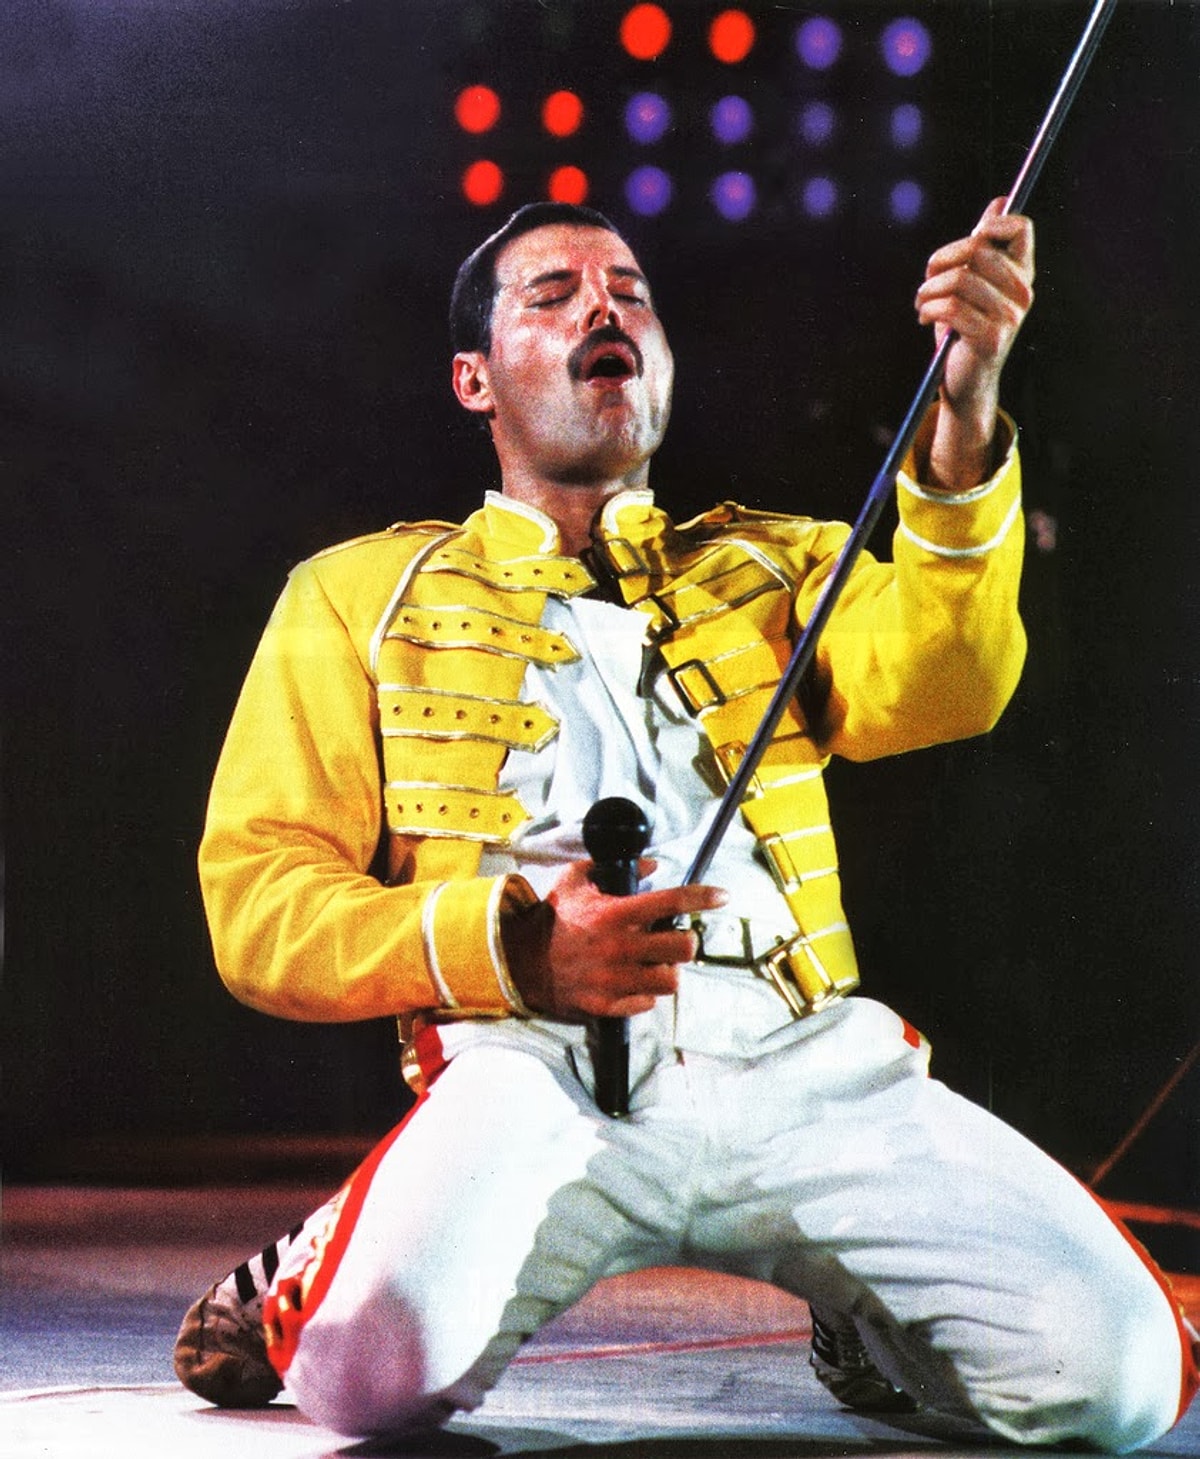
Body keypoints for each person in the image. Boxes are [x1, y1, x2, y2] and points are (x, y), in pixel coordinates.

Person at [174, 201, 1197, 1448]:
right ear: (473, 379)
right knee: (368, 1374)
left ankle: (867, 1318)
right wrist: (518, 948)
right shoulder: (354, 595)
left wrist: (967, 402)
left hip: (806, 1069)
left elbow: (952, 681)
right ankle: (321, 1251)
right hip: (533, 1072)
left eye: (630, 292)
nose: (604, 307)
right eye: (552, 294)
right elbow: (262, 899)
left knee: (1121, 1381)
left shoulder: (781, 565)